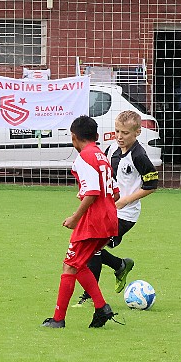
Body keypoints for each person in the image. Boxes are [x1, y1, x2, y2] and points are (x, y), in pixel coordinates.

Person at [42, 115, 121, 329]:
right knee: (79, 264)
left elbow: (92, 192)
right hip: (109, 219)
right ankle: (102, 308)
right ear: (96, 136)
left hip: (93, 222)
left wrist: (75, 218)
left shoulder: (84, 157)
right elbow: (114, 193)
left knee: (69, 266)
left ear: (74, 137)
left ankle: (58, 319)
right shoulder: (101, 157)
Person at [75, 110, 159, 307]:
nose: (120, 137)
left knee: (92, 248)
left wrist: (125, 200)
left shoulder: (139, 156)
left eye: (125, 133)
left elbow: (152, 185)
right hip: (107, 210)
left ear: (138, 132)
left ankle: (90, 296)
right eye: (117, 132)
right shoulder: (112, 149)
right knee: (90, 248)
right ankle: (120, 265)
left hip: (125, 215)